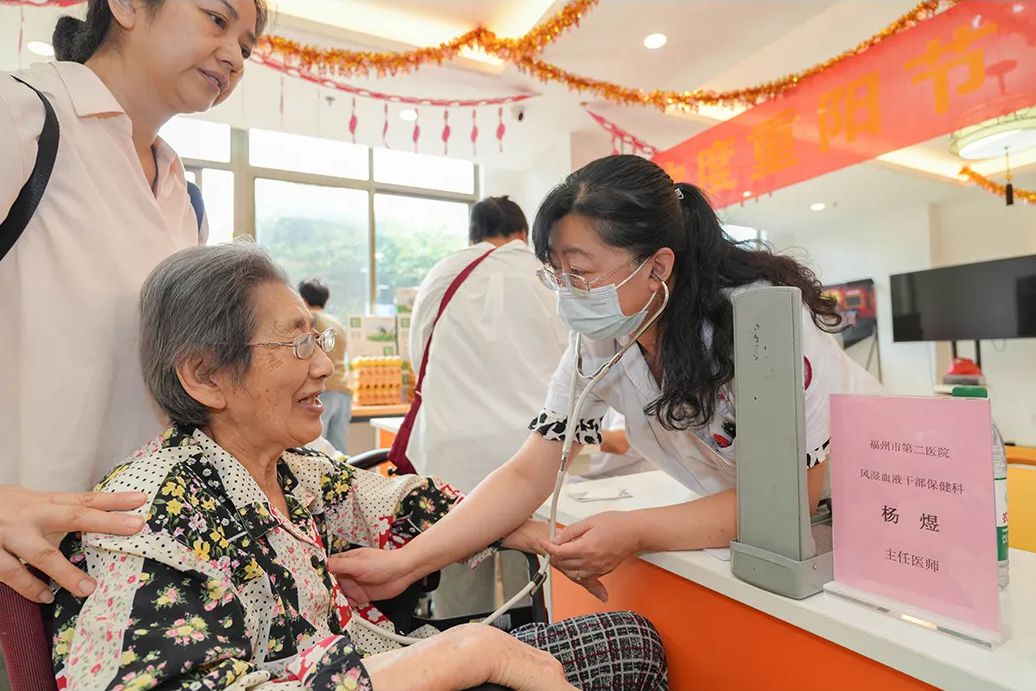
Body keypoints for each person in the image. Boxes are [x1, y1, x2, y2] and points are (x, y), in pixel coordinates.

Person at [47, 242, 667, 690]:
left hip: (377, 663)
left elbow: (402, 503)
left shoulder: (290, 470)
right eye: (296, 344)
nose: (323, 366)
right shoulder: (143, 520)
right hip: (379, 673)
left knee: (629, 639)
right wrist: (465, 653)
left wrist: (527, 531)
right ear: (206, 376)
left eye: (317, 339)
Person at [328, 154, 883, 606]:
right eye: (556, 273)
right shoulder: (602, 338)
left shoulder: (761, 327)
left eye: (583, 272)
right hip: (758, 532)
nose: (567, 292)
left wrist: (637, 529)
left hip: (872, 506)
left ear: (658, 268)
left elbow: (791, 497)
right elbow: (529, 471)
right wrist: (405, 564)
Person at [0, 0, 267, 607]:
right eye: (216, 19)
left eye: (247, 47)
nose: (233, 55)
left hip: (136, 572)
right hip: (23, 570)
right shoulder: (24, 117)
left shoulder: (185, 197)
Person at [405, 195, 567, 618]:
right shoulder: (541, 276)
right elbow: (573, 359)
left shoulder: (441, 274)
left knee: (458, 589)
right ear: (520, 233)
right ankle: (531, 662)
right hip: (529, 454)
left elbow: (417, 357)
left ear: (472, 234)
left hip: (449, 451)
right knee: (532, 587)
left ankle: (459, 667)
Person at [298, 278, 352, 454]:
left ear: (303, 299)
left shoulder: (309, 320)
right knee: (339, 450)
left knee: (317, 450)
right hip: (343, 389)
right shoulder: (336, 323)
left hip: (323, 389)